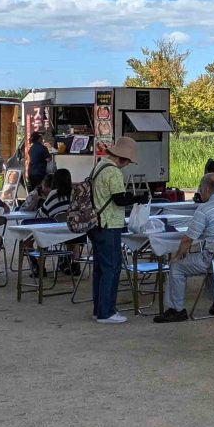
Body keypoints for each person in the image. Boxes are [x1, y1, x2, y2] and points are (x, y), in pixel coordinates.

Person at [154, 173, 214, 323]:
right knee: (211, 257)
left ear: (205, 189)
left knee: (177, 266)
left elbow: (187, 240)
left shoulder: (205, 209)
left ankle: (176, 309)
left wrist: (177, 256)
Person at [89, 137, 145, 324]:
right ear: (122, 158)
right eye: (128, 161)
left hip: (96, 223)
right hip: (109, 224)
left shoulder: (99, 166)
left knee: (100, 269)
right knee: (112, 268)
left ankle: (99, 309)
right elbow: (119, 200)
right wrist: (136, 198)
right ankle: (107, 312)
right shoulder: (113, 172)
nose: (127, 164)